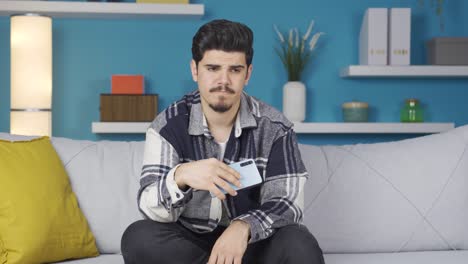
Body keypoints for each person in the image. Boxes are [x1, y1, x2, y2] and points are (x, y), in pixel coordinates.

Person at [121, 19, 325, 264]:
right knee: (137, 237)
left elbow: (288, 204)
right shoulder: (167, 126)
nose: (223, 81)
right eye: (213, 68)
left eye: (235, 70)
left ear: (248, 73)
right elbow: (149, 206)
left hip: (252, 244)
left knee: (300, 244)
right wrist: (181, 176)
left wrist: (243, 226)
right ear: (195, 70)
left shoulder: (276, 128)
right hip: (190, 241)